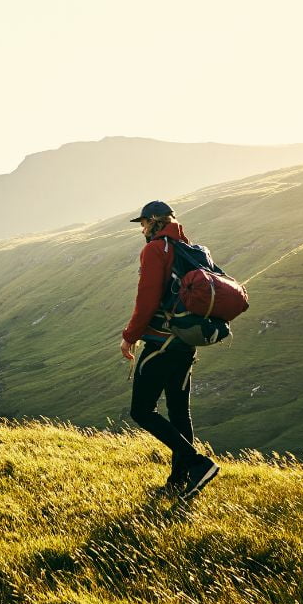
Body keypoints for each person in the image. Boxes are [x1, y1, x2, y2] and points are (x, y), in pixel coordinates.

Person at [120, 200, 220, 499]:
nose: (141, 229)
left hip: (160, 343)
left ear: (153, 221)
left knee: (142, 410)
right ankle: (178, 483)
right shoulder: (193, 250)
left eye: (142, 223)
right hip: (187, 341)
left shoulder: (156, 249)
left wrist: (129, 337)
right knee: (178, 411)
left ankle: (198, 464)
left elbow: (147, 299)